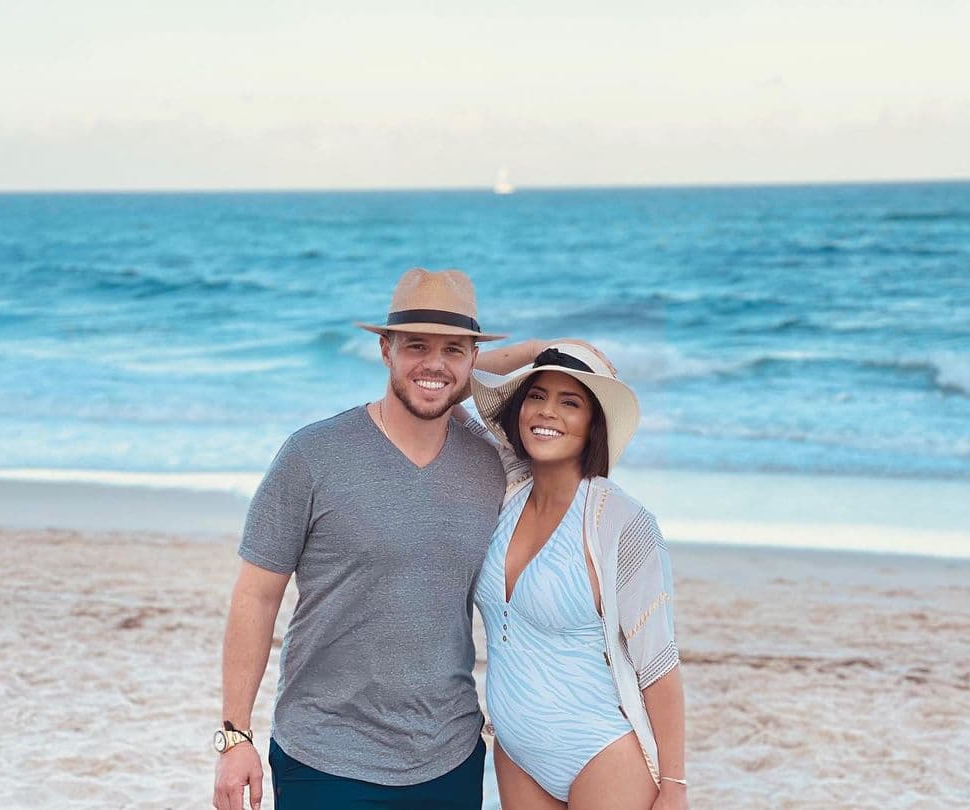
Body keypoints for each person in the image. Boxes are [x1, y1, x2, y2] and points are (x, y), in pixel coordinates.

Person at [212, 268, 559, 810]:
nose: (433, 361)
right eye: (414, 345)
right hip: (322, 757)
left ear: (472, 360)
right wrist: (236, 737)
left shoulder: (494, 462)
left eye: (454, 349)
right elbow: (255, 596)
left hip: (449, 757)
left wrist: (450, 371)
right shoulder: (312, 455)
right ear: (383, 349)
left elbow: (559, 354)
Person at [461, 342, 687, 810]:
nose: (548, 413)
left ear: (594, 423)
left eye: (571, 402)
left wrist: (674, 785)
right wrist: (545, 347)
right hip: (516, 751)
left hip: (601, 752)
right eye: (536, 396)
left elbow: (658, 663)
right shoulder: (503, 488)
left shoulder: (621, 522)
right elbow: (450, 378)